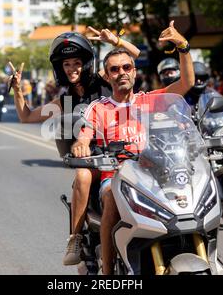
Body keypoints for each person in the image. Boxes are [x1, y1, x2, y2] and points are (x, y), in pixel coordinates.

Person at [71, 20, 194, 274]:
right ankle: (107, 273)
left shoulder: (149, 100)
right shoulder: (99, 108)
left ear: (135, 72)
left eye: (127, 67)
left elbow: (185, 84)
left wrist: (182, 46)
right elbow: (85, 134)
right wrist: (82, 144)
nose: (122, 72)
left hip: (153, 174)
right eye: (115, 70)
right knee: (111, 199)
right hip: (115, 176)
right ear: (108, 75)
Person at [11, 27, 141, 266]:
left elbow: (135, 55)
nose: (72, 69)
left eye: (76, 63)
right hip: (93, 162)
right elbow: (26, 117)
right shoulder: (65, 100)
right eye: (67, 64)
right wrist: (18, 90)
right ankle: (76, 238)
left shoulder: (103, 81)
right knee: (82, 177)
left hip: (127, 155)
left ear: (86, 64)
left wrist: (116, 41)